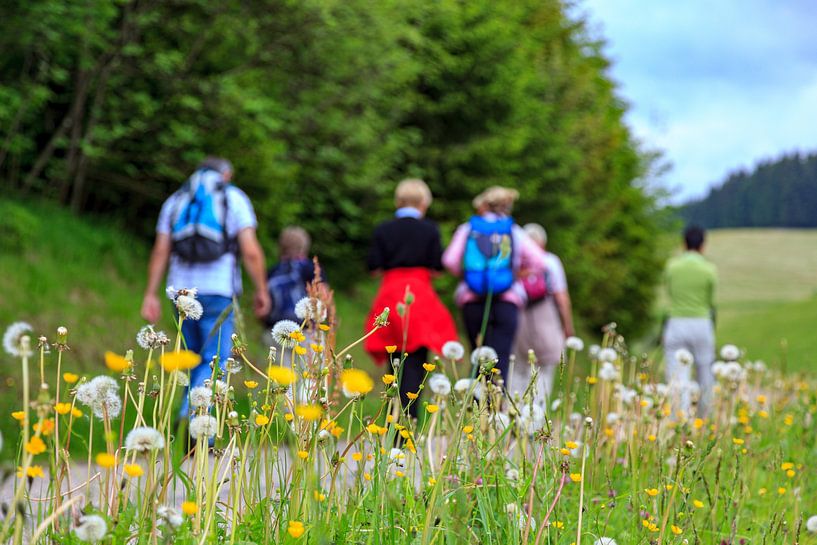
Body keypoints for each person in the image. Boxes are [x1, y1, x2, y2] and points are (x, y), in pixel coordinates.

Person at [141, 157, 271, 417]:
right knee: (215, 360)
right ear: (226, 175)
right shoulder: (233, 198)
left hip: (179, 291)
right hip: (217, 291)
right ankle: (194, 421)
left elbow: (160, 250)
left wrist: (150, 294)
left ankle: (187, 434)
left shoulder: (175, 201)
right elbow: (251, 251)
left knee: (190, 358)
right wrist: (261, 289)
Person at [364, 179, 458, 418]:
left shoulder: (383, 229)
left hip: (390, 294)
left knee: (393, 356)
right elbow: (437, 269)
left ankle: (391, 420)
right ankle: (409, 421)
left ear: (398, 201)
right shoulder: (430, 230)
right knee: (416, 360)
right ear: (424, 203)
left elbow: (373, 267)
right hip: (419, 296)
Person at [442, 186, 547, 387]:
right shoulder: (514, 231)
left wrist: (466, 275)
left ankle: (475, 410)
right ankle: (495, 412)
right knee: (501, 360)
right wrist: (516, 274)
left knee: (478, 357)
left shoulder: (468, 229)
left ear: (483, 205)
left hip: (471, 300)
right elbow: (540, 262)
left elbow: (449, 260)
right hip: (506, 302)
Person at [510, 223, 574, 404]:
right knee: (545, 369)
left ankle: (516, 416)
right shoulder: (550, 261)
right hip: (546, 318)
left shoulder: (515, 262)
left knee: (518, 369)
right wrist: (568, 326)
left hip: (518, 318)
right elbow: (562, 297)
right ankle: (536, 419)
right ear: (543, 243)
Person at [662, 225, 718, 415]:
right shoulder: (709, 269)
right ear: (703, 244)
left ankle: (680, 420)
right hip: (701, 323)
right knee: (705, 375)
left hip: (676, 323)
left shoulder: (672, 266)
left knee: (678, 377)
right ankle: (705, 419)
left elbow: (670, 291)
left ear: (684, 243)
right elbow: (710, 300)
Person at [265, 226, 322, 327]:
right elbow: (324, 296)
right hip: (305, 330)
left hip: (274, 328)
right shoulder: (311, 268)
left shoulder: (273, 271)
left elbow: (262, 308)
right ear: (304, 247)